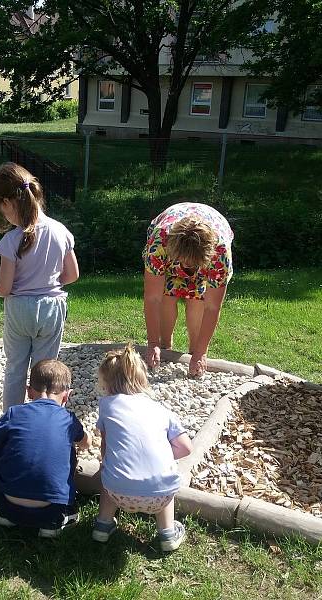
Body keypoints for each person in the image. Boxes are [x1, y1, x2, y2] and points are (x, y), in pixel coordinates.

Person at [0, 162, 79, 409]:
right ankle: (44, 418)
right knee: (45, 371)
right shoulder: (61, 231)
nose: (4, 216)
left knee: (15, 368)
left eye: (3, 210)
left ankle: (11, 420)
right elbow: (72, 275)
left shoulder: (12, 240)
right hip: (52, 308)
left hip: (19, 309)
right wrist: (47, 282)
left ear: (7, 203)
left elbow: (4, 288)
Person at [92, 344, 193, 551]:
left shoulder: (107, 405)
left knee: (108, 469)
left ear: (107, 385)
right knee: (165, 472)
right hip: (161, 495)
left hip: (117, 492)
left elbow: (105, 447)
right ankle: (167, 533)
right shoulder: (161, 410)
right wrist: (163, 454)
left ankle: (103, 525)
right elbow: (185, 448)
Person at [0, 359, 90, 537]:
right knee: (71, 452)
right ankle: (51, 526)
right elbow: (86, 443)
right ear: (67, 396)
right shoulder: (69, 419)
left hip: (5, 500)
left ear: (28, 392)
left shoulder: (13, 413)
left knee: (5, 444)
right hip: (52, 508)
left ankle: (7, 517)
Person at [143, 202, 233, 376]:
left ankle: (194, 352)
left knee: (197, 299)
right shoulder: (159, 242)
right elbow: (153, 298)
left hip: (209, 248)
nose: (186, 266)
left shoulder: (220, 253)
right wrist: (152, 343)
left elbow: (212, 307)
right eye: (183, 260)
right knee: (167, 295)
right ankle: (164, 347)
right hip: (168, 244)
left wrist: (201, 352)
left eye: (191, 263)